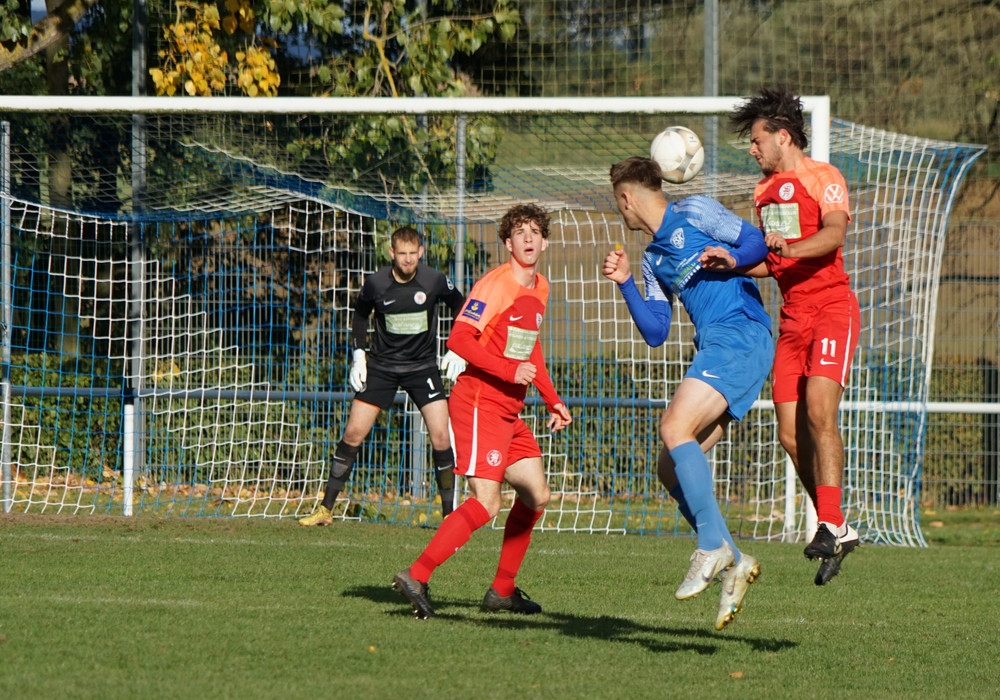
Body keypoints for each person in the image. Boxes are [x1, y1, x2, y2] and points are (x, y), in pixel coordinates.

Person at [603, 156, 773, 631]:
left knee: (673, 426)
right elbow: (656, 332)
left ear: (626, 198)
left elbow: (756, 241)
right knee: (668, 466)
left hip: (739, 333)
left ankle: (712, 546)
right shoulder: (652, 260)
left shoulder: (695, 211)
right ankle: (734, 558)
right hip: (719, 345)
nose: (620, 212)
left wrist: (732, 259)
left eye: (617, 203)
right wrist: (626, 284)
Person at [392, 203, 573, 619]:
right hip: (479, 403)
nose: (528, 238)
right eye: (520, 232)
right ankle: (416, 575)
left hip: (508, 410)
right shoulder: (495, 284)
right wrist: (509, 370)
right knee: (487, 502)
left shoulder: (541, 287)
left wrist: (552, 398)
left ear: (545, 242)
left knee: (537, 494)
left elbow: (530, 348)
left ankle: (502, 591)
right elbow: (459, 339)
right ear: (508, 243)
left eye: (535, 232)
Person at [729, 87, 862, 586]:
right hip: (792, 320)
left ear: (783, 136)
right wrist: (729, 263)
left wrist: (789, 246)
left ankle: (829, 523)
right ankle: (837, 526)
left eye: (757, 140)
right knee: (789, 434)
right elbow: (773, 261)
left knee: (819, 414)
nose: (752, 149)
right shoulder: (762, 193)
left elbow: (833, 235)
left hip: (831, 309)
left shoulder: (825, 177)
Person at [298, 226, 467, 526]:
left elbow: (462, 306)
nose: (408, 259)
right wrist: (358, 356)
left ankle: (449, 517)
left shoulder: (434, 280)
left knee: (442, 437)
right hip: (382, 368)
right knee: (353, 433)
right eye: (402, 253)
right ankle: (325, 509)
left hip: (422, 368)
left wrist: (457, 347)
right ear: (391, 253)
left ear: (421, 252)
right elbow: (360, 315)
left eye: (413, 253)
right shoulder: (376, 284)